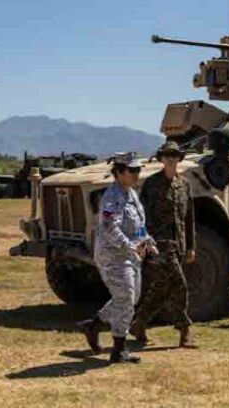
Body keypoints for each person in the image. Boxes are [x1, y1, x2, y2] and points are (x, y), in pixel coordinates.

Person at [80, 152, 154, 364]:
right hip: (113, 256)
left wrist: (148, 240)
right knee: (126, 298)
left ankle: (94, 325)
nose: (137, 174)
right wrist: (129, 246)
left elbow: (138, 225)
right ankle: (119, 349)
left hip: (131, 255)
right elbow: (109, 227)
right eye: (132, 170)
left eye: (138, 170)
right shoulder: (112, 197)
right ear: (119, 173)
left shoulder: (132, 194)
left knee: (131, 298)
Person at [130, 141, 197, 348]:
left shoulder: (184, 184)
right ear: (161, 159)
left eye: (175, 155)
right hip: (158, 245)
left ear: (179, 159)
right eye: (167, 155)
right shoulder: (152, 184)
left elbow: (189, 218)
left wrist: (191, 246)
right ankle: (184, 330)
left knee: (161, 288)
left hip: (178, 244)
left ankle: (139, 323)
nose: (171, 159)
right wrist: (142, 243)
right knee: (180, 285)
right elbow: (140, 216)